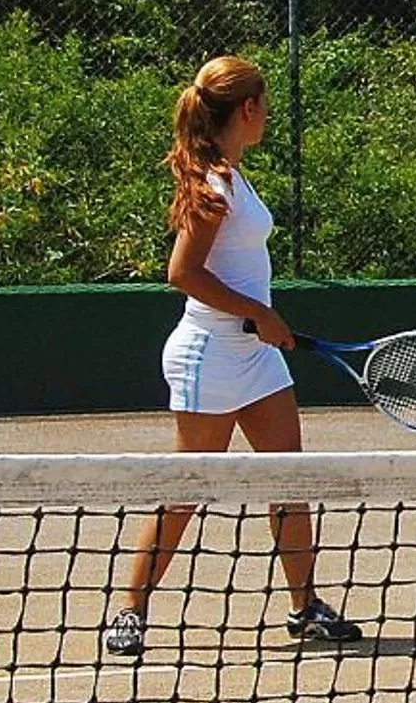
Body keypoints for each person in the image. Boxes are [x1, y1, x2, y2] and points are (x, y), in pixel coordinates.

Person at [104, 54, 362, 658]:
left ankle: (305, 608)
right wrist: (260, 313)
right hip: (209, 356)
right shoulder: (213, 186)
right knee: (189, 486)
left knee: (288, 478)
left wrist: (260, 322)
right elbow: (182, 272)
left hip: (255, 359)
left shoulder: (232, 174)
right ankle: (130, 610)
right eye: (265, 105)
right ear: (247, 109)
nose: (268, 115)